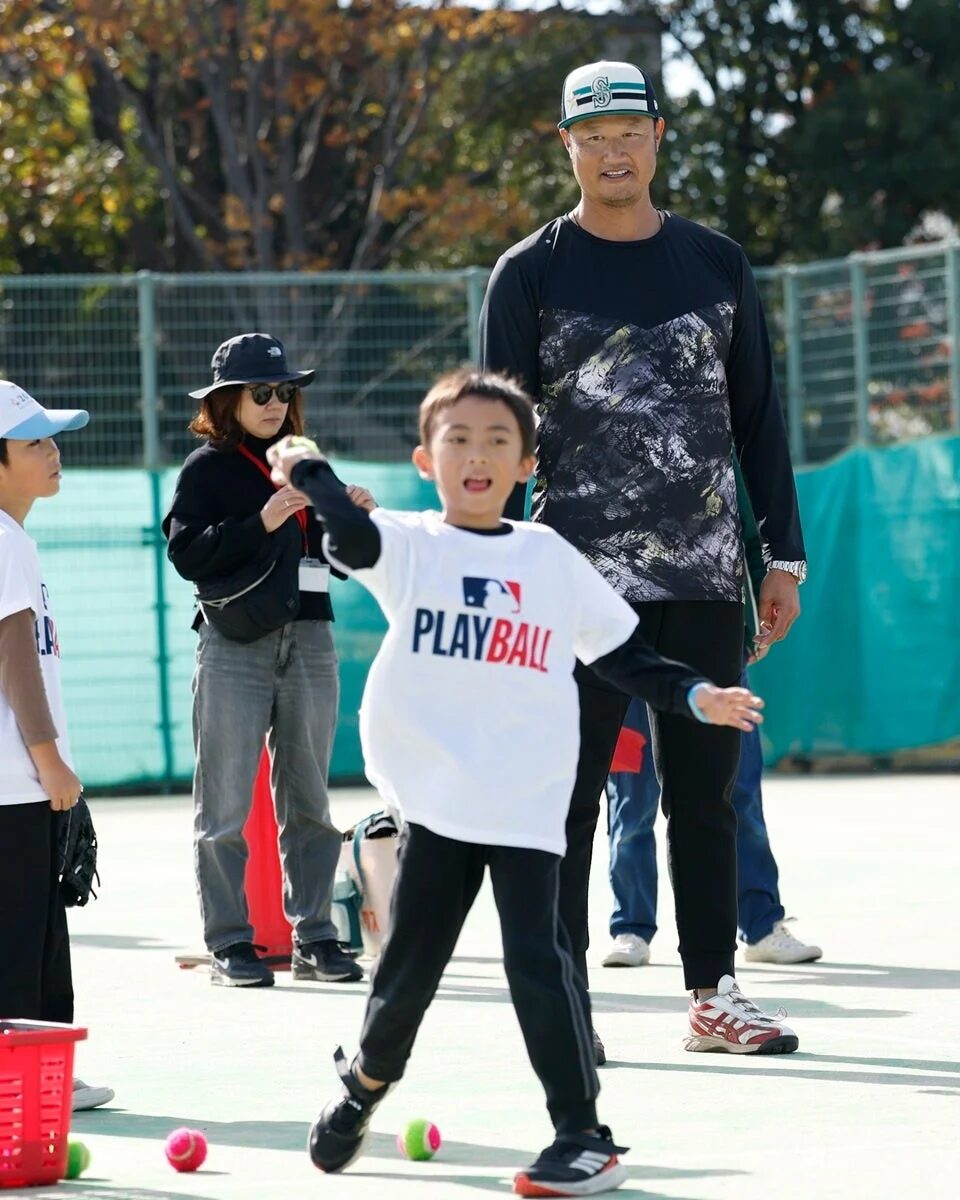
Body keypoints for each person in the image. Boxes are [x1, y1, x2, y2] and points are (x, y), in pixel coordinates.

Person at [286, 369, 767, 1195]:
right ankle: (364, 1084)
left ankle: (584, 1136)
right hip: (438, 804)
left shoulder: (547, 557)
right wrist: (310, 473)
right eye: (459, 440)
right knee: (408, 974)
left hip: (529, 803)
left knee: (539, 964)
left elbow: (621, 652)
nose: (477, 455)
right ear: (425, 458)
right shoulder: (411, 545)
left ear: (526, 466)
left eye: (498, 442)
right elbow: (354, 542)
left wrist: (694, 694)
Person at [481, 60, 807, 1057]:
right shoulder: (528, 273)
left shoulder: (717, 262)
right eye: (594, 132)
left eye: (631, 128)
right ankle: (564, 998)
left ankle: (714, 993)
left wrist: (779, 554)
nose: (613, 148)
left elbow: (759, 417)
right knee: (566, 796)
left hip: (708, 577)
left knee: (704, 795)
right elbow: (493, 432)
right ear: (566, 144)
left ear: (660, 136)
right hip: (572, 586)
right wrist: (492, 564)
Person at [162, 334, 369, 988]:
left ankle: (316, 937)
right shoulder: (206, 468)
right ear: (227, 400)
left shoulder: (308, 463)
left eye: (285, 391)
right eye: (262, 392)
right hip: (234, 644)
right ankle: (230, 943)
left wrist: (352, 518)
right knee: (221, 804)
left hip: (309, 639)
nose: (276, 403)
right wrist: (266, 517)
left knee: (310, 800)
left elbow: (339, 562)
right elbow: (188, 554)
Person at [0, 380, 112, 1113]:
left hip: (19, 781)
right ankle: (29, 1079)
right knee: (23, 938)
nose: (53, 452)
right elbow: (13, 652)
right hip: (13, 781)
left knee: (36, 933)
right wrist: (46, 758)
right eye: (34, 442)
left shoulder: (15, 537)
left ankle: (44, 1073)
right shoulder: (4, 540)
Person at [601, 694, 821, 968]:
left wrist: (755, 647)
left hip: (717, 668)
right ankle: (630, 929)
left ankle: (762, 927)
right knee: (631, 813)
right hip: (633, 676)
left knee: (741, 800)